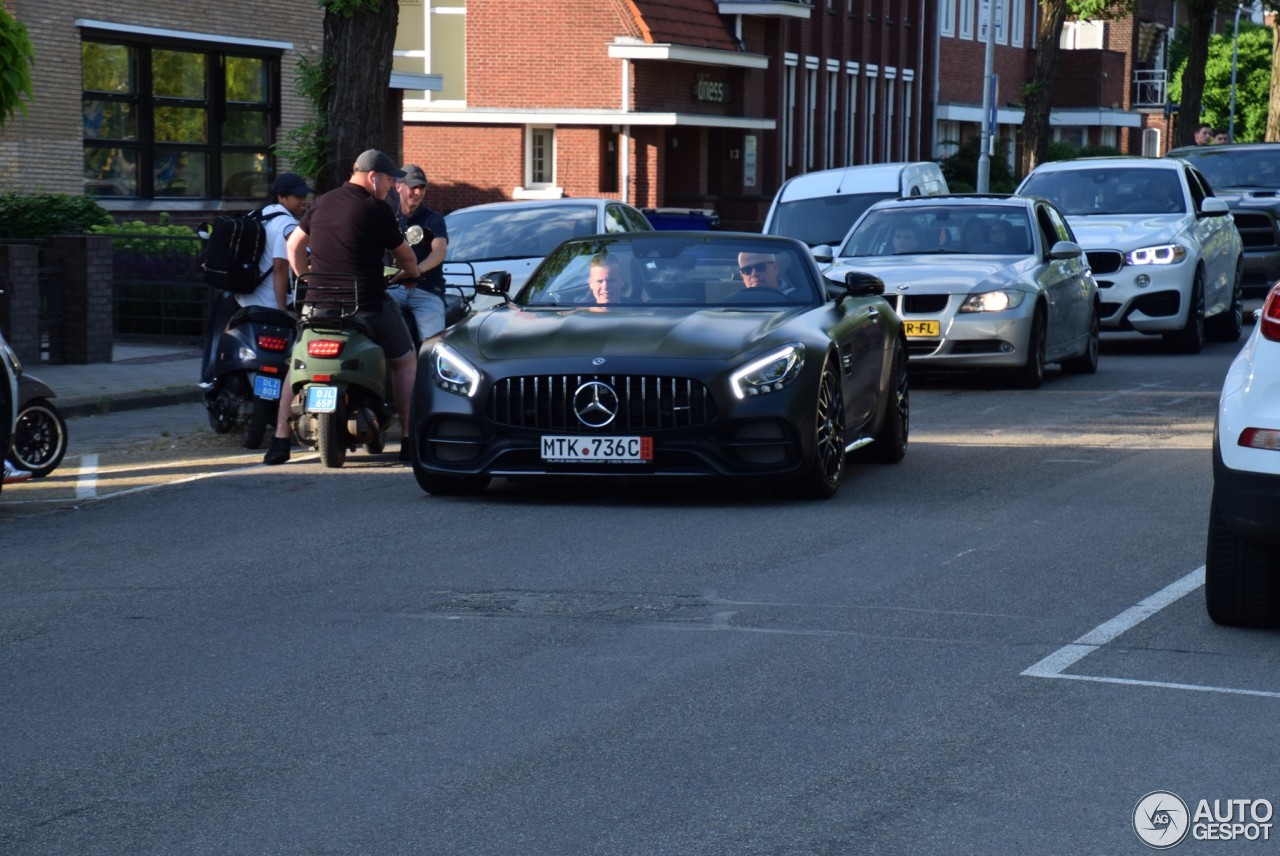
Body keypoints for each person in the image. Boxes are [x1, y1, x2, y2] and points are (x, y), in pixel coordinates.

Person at [264, 149, 421, 466]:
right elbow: (405, 256)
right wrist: (413, 273)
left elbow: (294, 245)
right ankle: (409, 440)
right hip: (365, 305)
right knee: (404, 360)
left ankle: (280, 440)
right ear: (373, 177)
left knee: (296, 360)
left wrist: (305, 276)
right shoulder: (376, 209)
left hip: (318, 306)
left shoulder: (321, 203)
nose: (391, 187)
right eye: (390, 180)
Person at [200, 173, 311, 384]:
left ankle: (212, 377)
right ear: (281, 197)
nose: (303, 201)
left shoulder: (257, 215)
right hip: (270, 304)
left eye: (304, 196)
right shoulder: (287, 225)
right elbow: (280, 268)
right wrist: (282, 310)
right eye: (298, 197)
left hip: (244, 300)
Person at [386, 164, 449, 345]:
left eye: (422, 187)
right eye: (413, 186)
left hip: (426, 288)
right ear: (399, 186)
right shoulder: (387, 217)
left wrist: (416, 271)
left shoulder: (434, 219)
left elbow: (439, 251)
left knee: (433, 346)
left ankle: (428, 373)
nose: (417, 192)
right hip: (392, 289)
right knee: (373, 327)